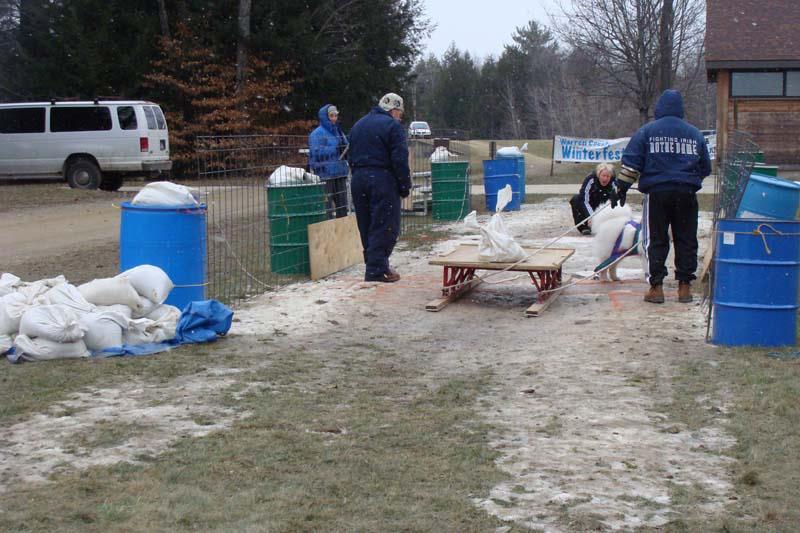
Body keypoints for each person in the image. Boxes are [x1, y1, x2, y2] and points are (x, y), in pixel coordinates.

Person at [615, 89, 712, 304]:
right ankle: (684, 287)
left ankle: (656, 287)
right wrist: (687, 178)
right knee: (686, 239)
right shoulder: (695, 134)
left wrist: (621, 188)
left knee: (656, 239)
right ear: (681, 109)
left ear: (659, 108)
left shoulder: (647, 132)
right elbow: (705, 167)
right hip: (687, 194)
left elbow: (631, 164)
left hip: (657, 194)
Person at [348, 92, 411, 283]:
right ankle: (376, 270)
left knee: (366, 224)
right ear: (394, 110)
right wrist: (404, 185)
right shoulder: (392, 127)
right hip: (382, 179)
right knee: (385, 225)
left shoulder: (358, 125)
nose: (400, 117)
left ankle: (375, 264)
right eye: (400, 113)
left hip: (358, 178)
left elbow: (349, 154)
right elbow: (399, 158)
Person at [309, 104, 350, 218]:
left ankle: (342, 232)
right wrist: (335, 148)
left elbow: (344, 146)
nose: (334, 118)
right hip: (325, 175)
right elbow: (315, 153)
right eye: (331, 116)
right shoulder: (317, 134)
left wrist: (345, 148)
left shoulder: (339, 132)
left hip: (340, 173)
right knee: (326, 208)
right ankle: (326, 232)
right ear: (325, 117)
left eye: (335, 115)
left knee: (342, 208)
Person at [569, 162, 617, 235]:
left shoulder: (614, 182)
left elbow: (615, 200)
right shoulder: (590, 179)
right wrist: (591, 216)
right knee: (576, 199)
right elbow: (584, 199)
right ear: (599, 175)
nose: (605, 178)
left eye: (608, 176)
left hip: (603, 203)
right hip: (590, 203)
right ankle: (584, 227)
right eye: (603, 176)